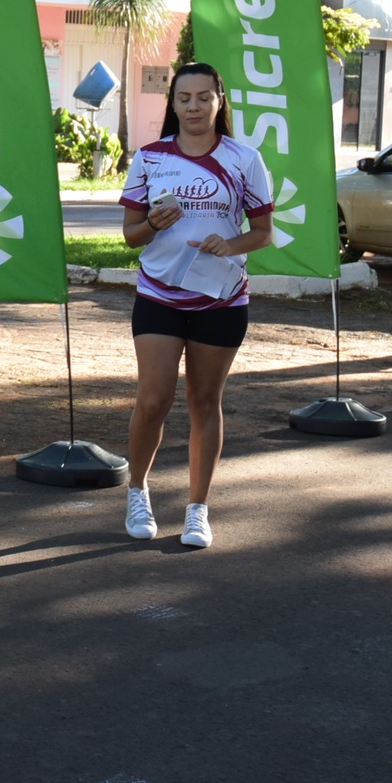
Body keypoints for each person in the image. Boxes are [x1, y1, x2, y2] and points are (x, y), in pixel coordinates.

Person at [116, 63, 274, 550]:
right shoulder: (149, 158)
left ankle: (197, 510)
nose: (194, 107)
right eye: (185, 98)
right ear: (173, 104)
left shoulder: (244, 159)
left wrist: (232, 246)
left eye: (204, 97)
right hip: (160, 294)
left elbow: (263, 232)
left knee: (205, 403)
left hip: (222, 299)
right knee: (152, 400)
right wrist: (154, 226)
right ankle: (138, 492)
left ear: (219, 101)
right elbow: (129, 236)